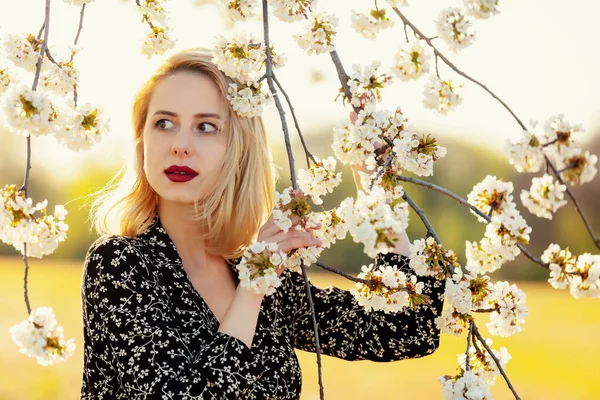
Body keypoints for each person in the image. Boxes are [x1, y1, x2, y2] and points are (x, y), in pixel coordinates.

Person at [80, 48, 446, 400]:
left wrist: (377, 193)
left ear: (239, 148)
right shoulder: (120, 263)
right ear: (142, 139)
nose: (180, 145)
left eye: (206, 127)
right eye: (164, 123)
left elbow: (405, 330)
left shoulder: (254, 269)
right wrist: (252, 291)